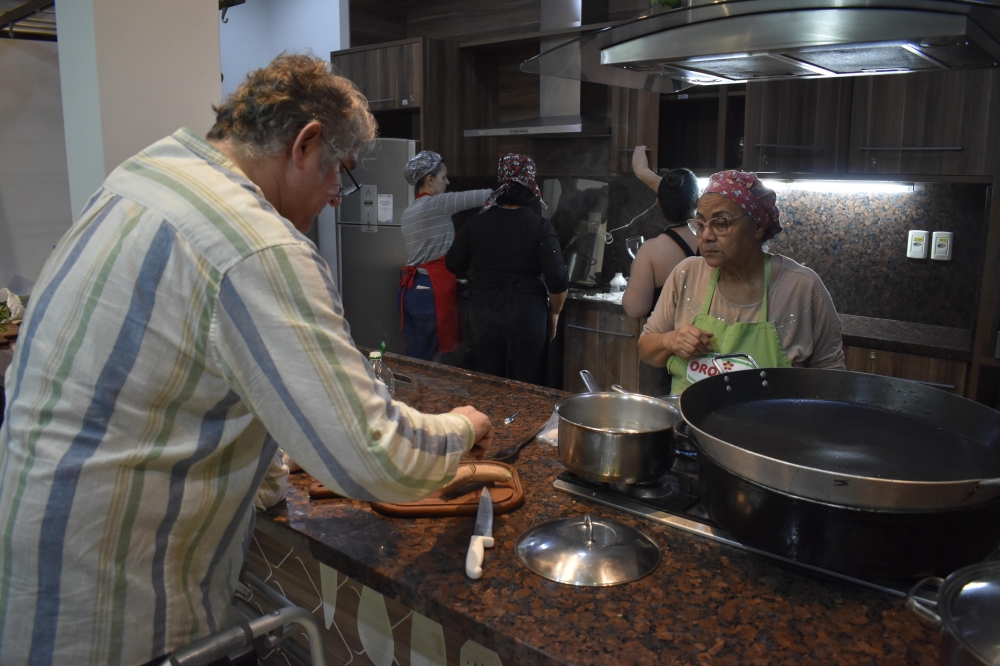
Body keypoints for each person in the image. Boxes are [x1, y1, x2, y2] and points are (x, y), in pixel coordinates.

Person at [0, 54, 494, 665]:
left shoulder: (146, 175)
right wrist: (461, 427)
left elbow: (174, 382)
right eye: (339, 173)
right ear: (305, 144)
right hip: (116, 615)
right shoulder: (254, 243)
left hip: (32, 578)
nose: (336, 199)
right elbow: (375, 455)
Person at [638, 170, 845, 395]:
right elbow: (646, 348)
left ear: (758, 226)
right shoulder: (686, 274)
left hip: (769, 419)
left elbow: (832, 378)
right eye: (701, 224)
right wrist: (670, 340)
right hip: (686, 417)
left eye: (721, 223)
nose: (705, 236)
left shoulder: (802, 288)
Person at [446, 154, 568, 385]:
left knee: (486, 384)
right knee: (527, 386)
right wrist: (554, 313)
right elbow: (558, 280)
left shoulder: (476, 222)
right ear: (531, 185)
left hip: (484, 312)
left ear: (500, 183)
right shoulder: (540, 225)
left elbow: (453, 264)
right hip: (528, 315)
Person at [397, 151, 492, 361]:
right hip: (430, 289)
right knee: (430, 362)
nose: (447, 182)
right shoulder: (435, 204)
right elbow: (483, 196)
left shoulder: (410, 210)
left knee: (416, 357)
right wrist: (514, 185)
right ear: (430, 179)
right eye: (444, 177)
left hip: (411, 290)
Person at [622, 146, 701, 318]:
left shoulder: (651, 251)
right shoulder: (715, 238)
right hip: (710, 333)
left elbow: (634, 309)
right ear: (698, 201)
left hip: (669, 335)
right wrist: (645, 174)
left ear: (658, 203)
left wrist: (644, 173)